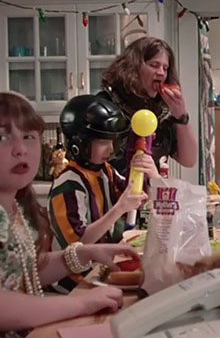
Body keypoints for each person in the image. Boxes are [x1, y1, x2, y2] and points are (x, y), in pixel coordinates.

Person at [0, 91, 138, 337]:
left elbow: (22, 270)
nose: (20, 149)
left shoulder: (12, 206)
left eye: (29, 136)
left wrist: (83, 253)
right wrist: (82, 303)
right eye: (1, 137)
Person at [48, 94, 156, 291]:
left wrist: (149, 174)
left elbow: (133, 195)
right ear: (79, 143)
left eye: (112, 142)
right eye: (103, 142)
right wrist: (119, 208)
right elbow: (78, 246)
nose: (111, 148)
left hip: (99, 268)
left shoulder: (105, 170)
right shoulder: (68, 184)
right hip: (73, 281)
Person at [99, 36, 197, 175]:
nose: (161, 73)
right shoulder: (106, 104)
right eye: (154, 65)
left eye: (165, 68)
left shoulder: (161, 110)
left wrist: (181, 115)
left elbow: (189, 160)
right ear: (133, 67)